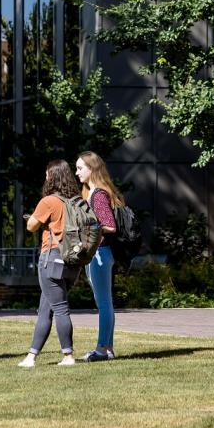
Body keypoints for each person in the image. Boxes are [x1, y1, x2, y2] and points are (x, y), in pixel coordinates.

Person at [17, 160, 82, 368]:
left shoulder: (49, 201)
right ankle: (31, 356)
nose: (45, 177)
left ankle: (68, 355)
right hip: (73, 262)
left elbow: (31, 226)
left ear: (52, 177)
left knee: (60, 309)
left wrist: (39, 219)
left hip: (52, 260)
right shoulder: (76, 201)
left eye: (47, 174)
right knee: (45, 309)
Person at [76, 150, 121, 362]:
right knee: (104, 302)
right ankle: (107, 348)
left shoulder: (98, 195)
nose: (77, 173)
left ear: (92, 169)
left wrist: (91, 229)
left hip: (100, 254)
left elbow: (110, 226)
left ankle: (102, 349)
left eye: (80, 168)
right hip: (99, 253)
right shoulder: (92, 193)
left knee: (103, 303)